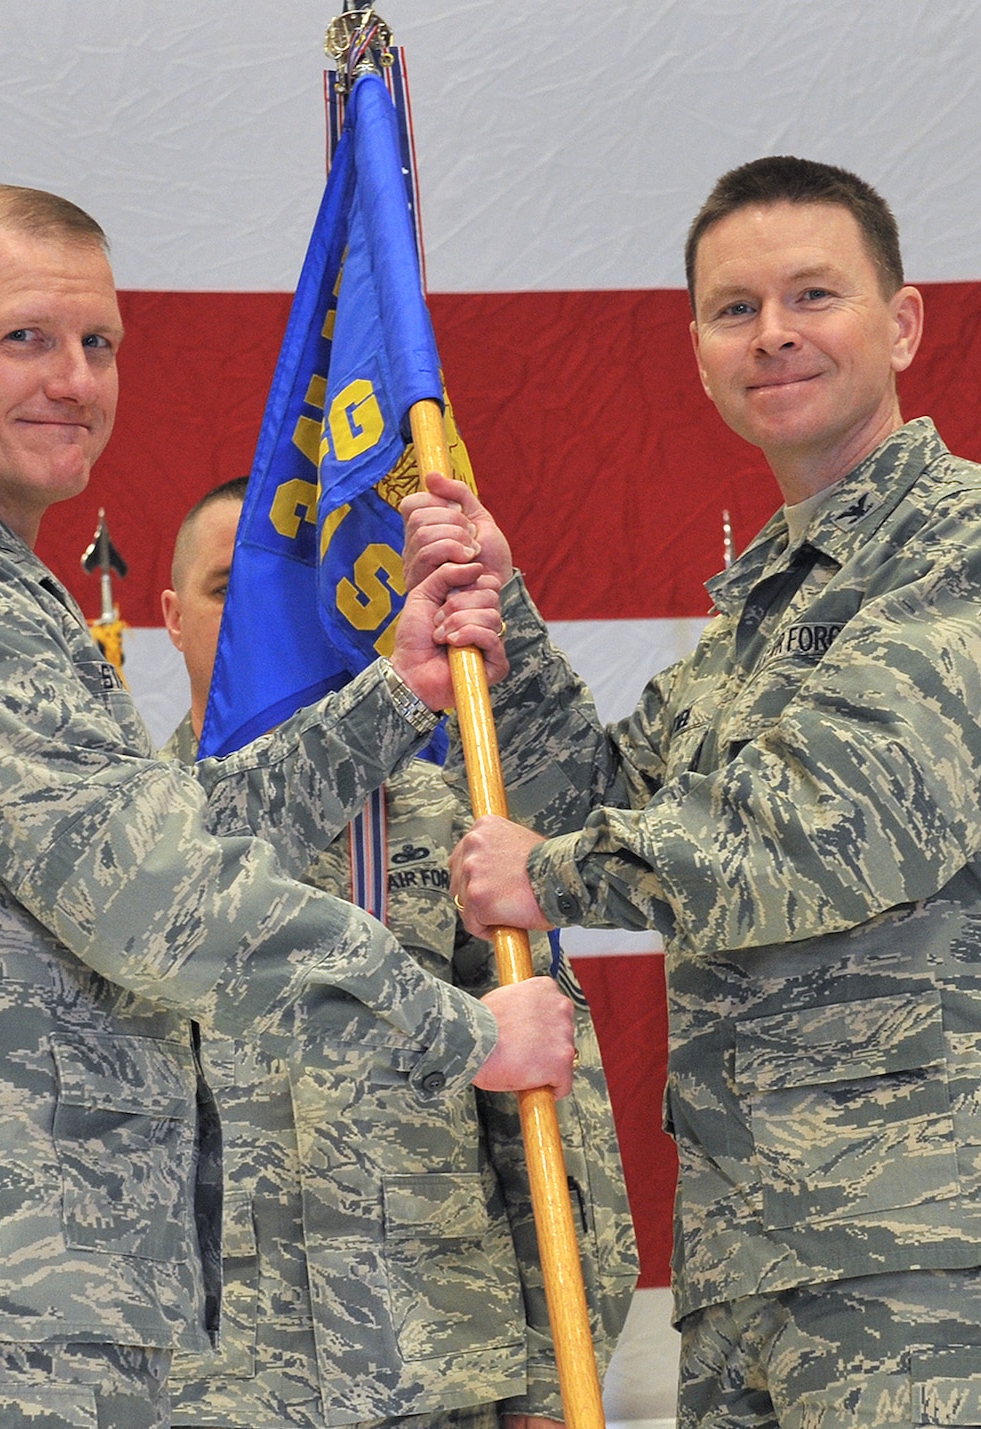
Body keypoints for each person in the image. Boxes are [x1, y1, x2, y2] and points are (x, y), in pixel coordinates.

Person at [0, 184, 578, 1429]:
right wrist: (464, 1036)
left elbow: (165, 836)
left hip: (36, 1306)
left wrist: (387, 698)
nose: (73, 379)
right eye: (24, 338)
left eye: (98, 343)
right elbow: (160, 898)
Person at [406, 157, 981, 1429]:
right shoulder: (765, 611)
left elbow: (833, 827)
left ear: (900, 323)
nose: (774, 334)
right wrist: (501, 622)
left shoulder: (980, 546)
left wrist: (558, 872)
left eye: (814, 295)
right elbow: (612, 794)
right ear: (695, 347)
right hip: (760, 1271)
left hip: (947, 1267)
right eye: (733, 308)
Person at [156, 479, 640, 1429]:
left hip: (437, 1368)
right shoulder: (132, 845)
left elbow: (553, 1128)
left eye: (288, 585)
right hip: (210, 1388)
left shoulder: (456, 824)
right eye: (227, 586)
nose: (262, 610)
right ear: (169, 618)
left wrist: (551, 1382)